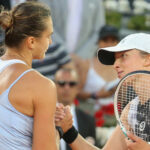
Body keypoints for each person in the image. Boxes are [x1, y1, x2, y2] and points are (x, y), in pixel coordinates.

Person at [56, 33, 150, 150]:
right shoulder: (131, 109)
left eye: (124, 56)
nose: (115, 65)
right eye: (115, 59)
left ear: (147, 59)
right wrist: (69, 131)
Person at [0, 1, 72, 149]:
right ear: (31, 41)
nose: (51, 42)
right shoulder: (42, 86)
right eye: (48, 36)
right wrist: (59, 129)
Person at [38, 0, 105, 58]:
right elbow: (43, 23)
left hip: (83, 63)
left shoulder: (96, 1)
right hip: (53, 58)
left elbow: (99, 30)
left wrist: (81, 56)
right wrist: (64, 54)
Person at [54, 68, 97, 150]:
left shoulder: (88, 120)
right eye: (62, 83)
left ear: (77, 88)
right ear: (54, 86)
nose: (67, 88)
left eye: (72, 84)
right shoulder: (44, 116)